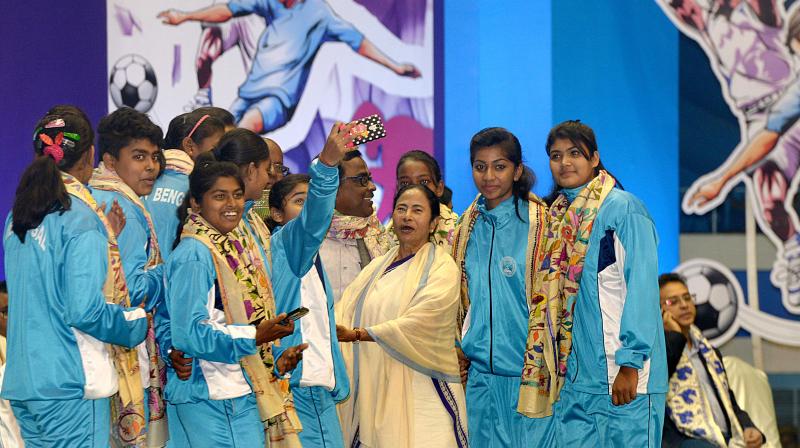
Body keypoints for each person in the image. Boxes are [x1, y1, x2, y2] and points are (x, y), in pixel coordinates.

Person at [2, 110, 148, 446]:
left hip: (25, 382)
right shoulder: (81, 216)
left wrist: (102, 238)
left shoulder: (18, 216)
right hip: (71, 382)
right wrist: (136, 321)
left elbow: (46, 284)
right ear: (90, 155)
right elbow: (84, 311)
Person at [531, 120, 666, 447]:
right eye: (555, 156)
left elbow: (642, 290)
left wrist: (630, 364)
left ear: (594, 158)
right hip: (575, 384)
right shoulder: (555, 219)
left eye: (574, 153)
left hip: (626, 378)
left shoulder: (624, 209)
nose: (564, 162)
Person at [167, 160, 307, 447]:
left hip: (235, 391)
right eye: (220, 196)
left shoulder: (233, 247)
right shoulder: (195, 253)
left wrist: (272, 354)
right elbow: (189, 334)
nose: (232, 204)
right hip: (213, 396)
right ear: (196, 203)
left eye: (237, 195)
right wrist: (255, 336)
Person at [158, 0, 420, 133]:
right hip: (248, 93)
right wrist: (185, 17)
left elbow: (358, 42)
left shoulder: (319, 13)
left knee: (241, 133)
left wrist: (395, 67)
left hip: (278, 100)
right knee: (215, 135)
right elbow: (227, 9)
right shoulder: (273, 5)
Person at [336, 184, 468, 448]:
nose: (407, 216)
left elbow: (421, 323)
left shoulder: (442, 268)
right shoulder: (376, 267)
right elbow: (344, 311)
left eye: (417, 210)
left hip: (425, 388)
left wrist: (360, 334)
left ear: (433, 223)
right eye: (401, 209)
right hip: (377, 387)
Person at [451, 127, 552, 447]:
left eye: (500, 166)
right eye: (480, 167)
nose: (489, 176)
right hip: (479, 382)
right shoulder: (466, 227)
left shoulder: (542, 225)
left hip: (531, 381)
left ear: (517, 170)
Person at [265, 122, 353, 447]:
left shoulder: (309, 258)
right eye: (300, 201)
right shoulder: (286, 245)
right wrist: (326, 167)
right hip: (295, 389)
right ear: (277, 214)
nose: (308, 212)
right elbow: (313, 221)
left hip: (319, 392)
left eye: (310, 201)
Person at [91, 107, 169, 445]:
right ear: (110, 160)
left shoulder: (88, 194)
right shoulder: (122, 206)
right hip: (119, 350)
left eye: (154, 156)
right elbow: (133, 291)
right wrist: (170, 270)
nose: (151, 166)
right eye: (139, 156)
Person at [659, 273, 766, 447]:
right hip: (684, 441)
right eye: (673, 302)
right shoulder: (656, 351)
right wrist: (675, 336)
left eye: (687, 298)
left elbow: (728, 400)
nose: (684, 305)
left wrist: (747, 426)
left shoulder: (708, 350)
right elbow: (660, 378)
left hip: (722, 438)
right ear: (659, 311)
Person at [145, 111, 226, 260]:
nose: (221, 159)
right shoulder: (202, 190)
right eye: (215, 150)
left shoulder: (143, 183)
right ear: (189, 146)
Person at [320, 149, 392, 303]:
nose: (372, 187)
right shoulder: (308, 240)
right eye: (362, 180)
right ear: (332, 186)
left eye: (369, 179)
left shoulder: (378, 235)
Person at [386, 150, 458, 251]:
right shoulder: (387, 235)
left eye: (424, 182)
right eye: (405, 183)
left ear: (439, 188)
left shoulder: (459, 230)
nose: (414, 190)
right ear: (398, 189)